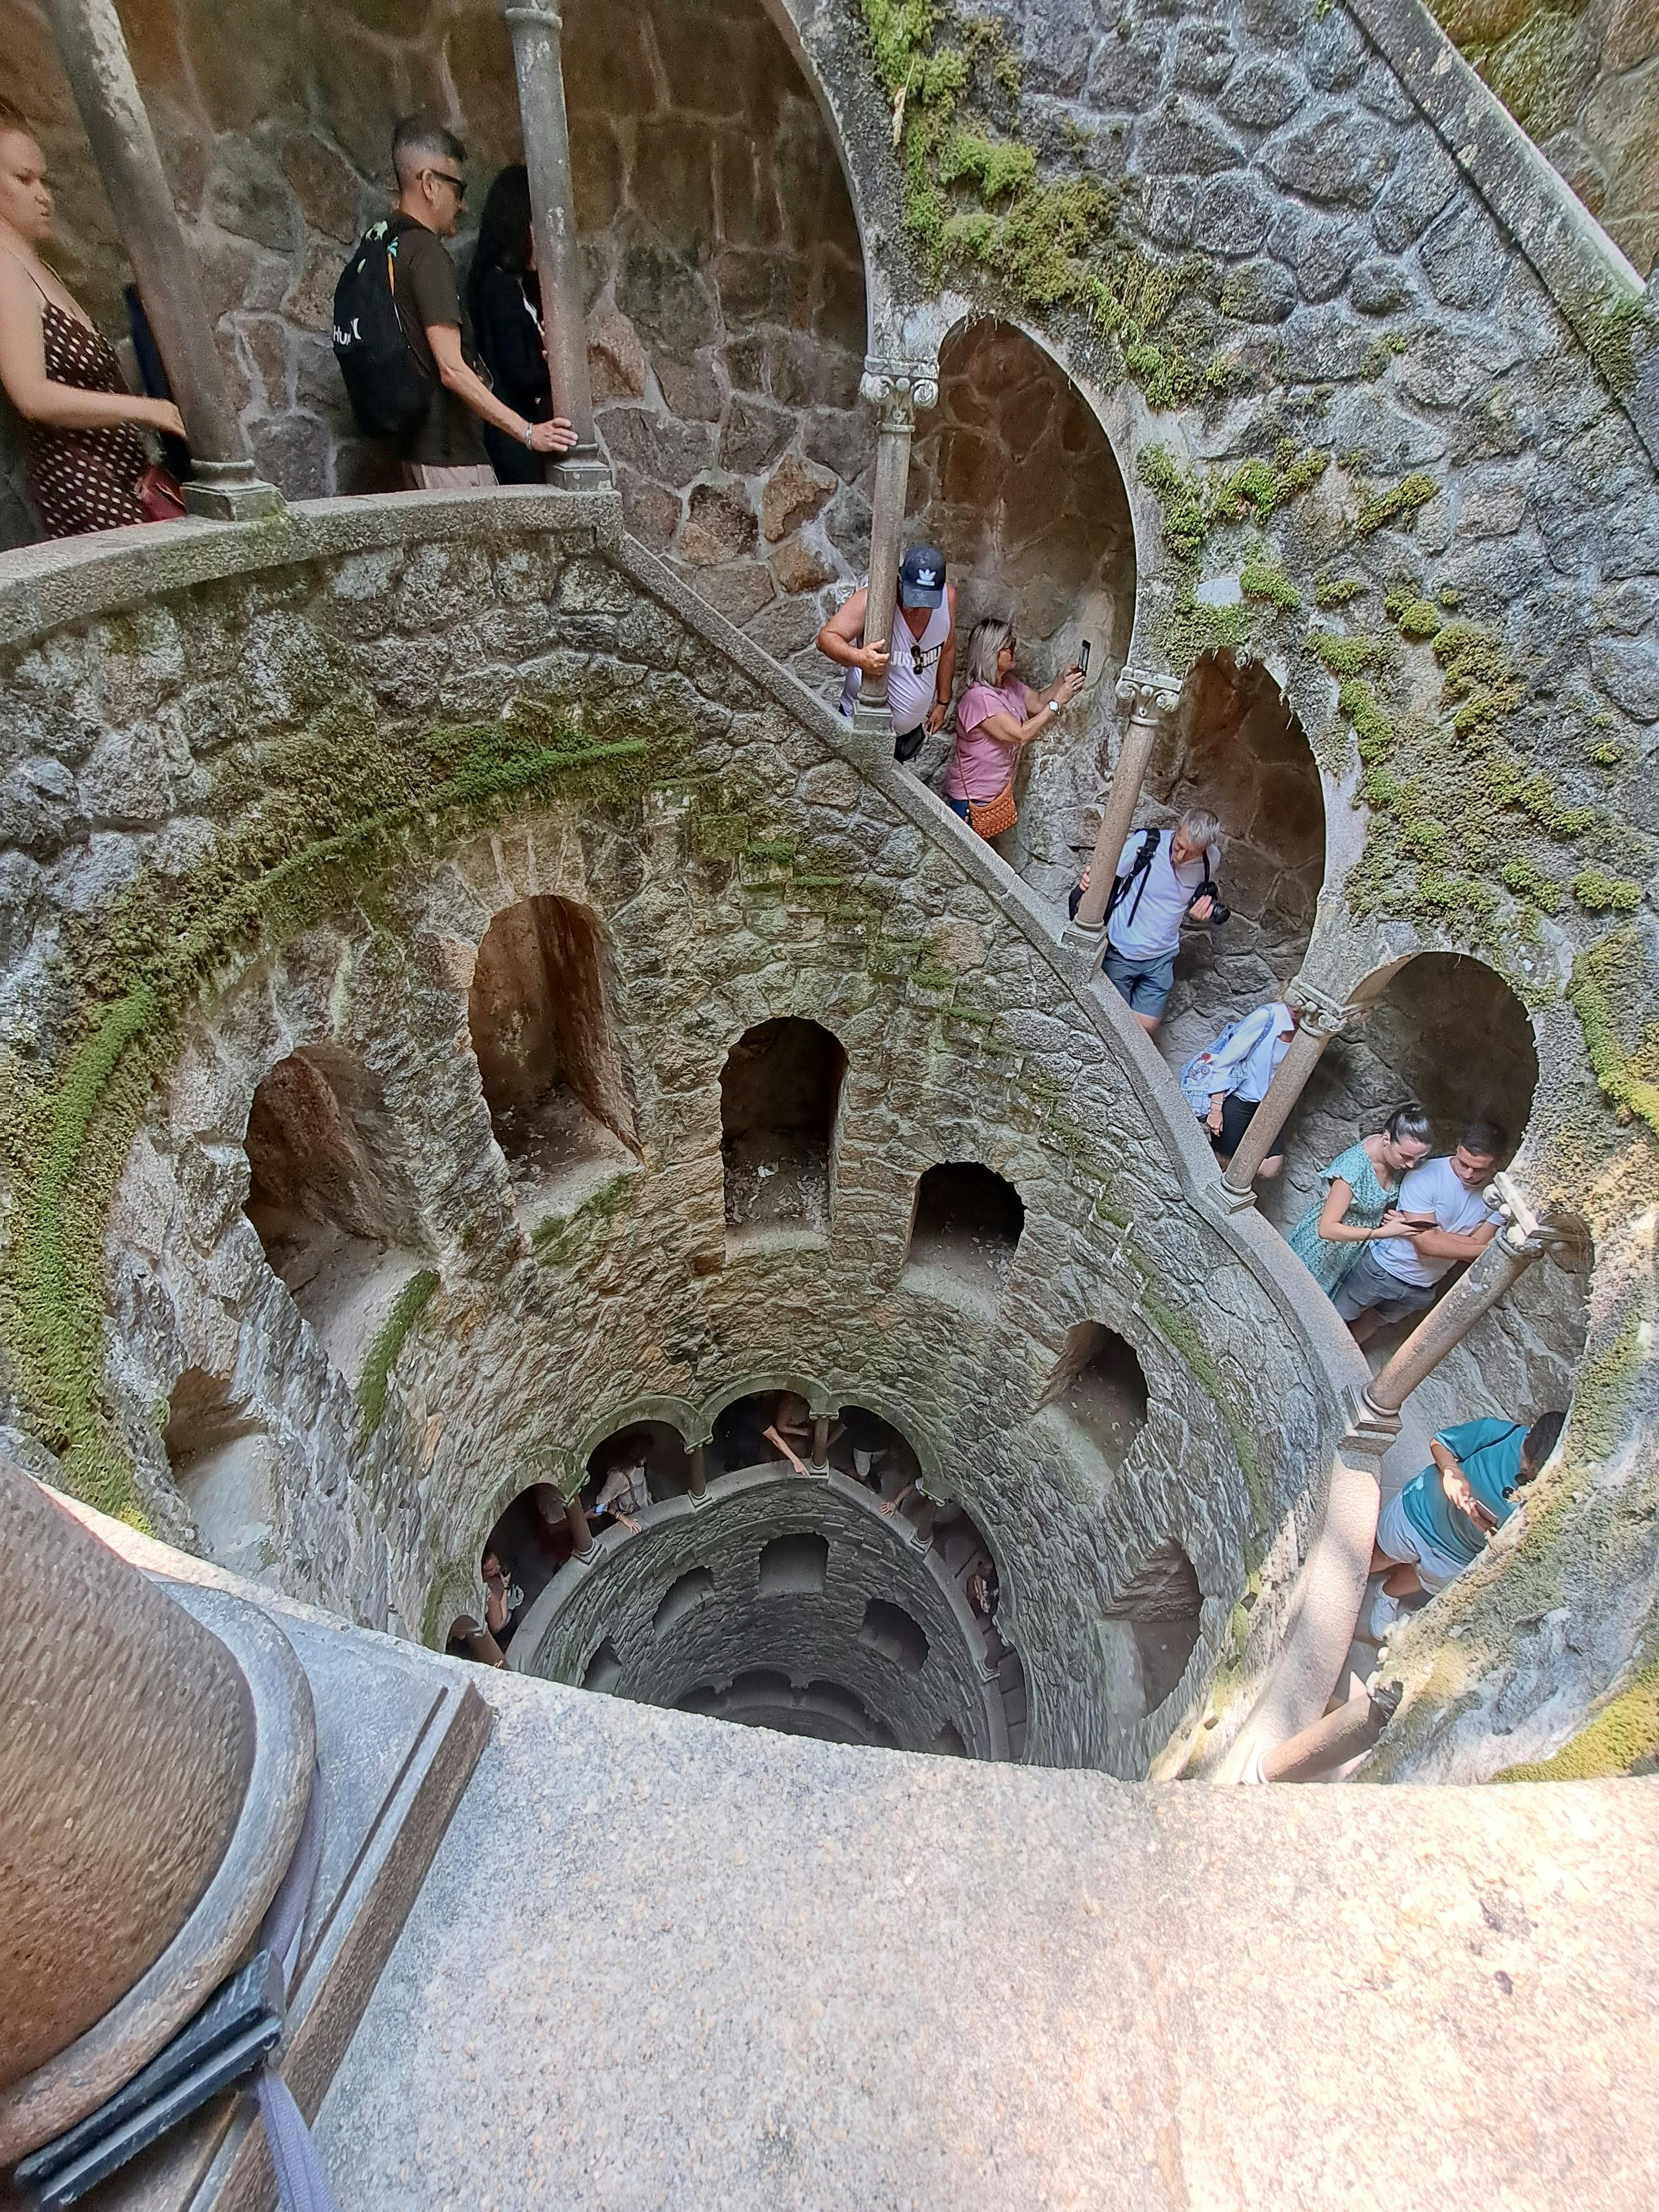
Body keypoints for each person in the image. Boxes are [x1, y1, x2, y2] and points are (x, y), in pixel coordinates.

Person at [0, 100, 186, 537]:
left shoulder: (35, 267)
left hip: (120, 475)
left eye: (42, 180)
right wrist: (145, 409)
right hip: (83, 483)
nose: (43, 195)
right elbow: (32, 395)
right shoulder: (4, 269)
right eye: (23, 180)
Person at [382, 116, 574, 489]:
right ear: (429, 184)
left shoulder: (390, 244)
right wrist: (530, 430)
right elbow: (456, 370)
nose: (463, 205)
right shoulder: (431, 257)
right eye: (458, 188)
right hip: (459, 450)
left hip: (429, 445)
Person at [1368, 1411, 1566, 1634]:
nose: (1525, 1469)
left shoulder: (1547, 1497)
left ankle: (1388, 1593)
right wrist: (1452, 1473)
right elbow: (1441, 1443)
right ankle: (1353, 1579)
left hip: (1462, 1552)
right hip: (1423, 1512)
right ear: (1529, 1433)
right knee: (1383, 1554)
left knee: (1423, 1577)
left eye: (1534, 1473)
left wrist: (1489, 1530)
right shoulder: (1500, 1434)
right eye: (1526, 1458)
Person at [1333, 1122, 1506, 1344]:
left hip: (1424, 1287)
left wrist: (1420, 1232)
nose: (1468, 1174)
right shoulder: (1425, 1176)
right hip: (1383, 1269)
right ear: (1458, 1147)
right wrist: (1482, 1249)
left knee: (1375, 1321)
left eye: (1479, 1169)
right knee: (1337, 1315)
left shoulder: (1497, 1198)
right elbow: (1427, 1246)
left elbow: (1472, 1245)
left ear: (1497, 1163)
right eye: (1464, 1163)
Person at [1072, 811, 1224, 1034]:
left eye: (1192, 853)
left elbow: (1193, 896)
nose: (1181, 857)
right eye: (1179, 846)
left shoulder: (1211, 859)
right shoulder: (1146, 844)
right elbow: (1105, 876)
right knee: (1111, 1024)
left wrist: (1199, 913)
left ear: (1205, 849)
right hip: (1123, 949)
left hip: (1162, 955)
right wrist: (1088, 881)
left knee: (1146, 1027)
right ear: (1177, 828)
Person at [816, 543, 957, 763]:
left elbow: (947, 648)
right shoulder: (871, 599)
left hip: (905, 737)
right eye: (914, 597)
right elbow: (826, 638)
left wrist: (943, 702)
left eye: (927, 600)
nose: (918, 607)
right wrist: (859, 658)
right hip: (860, 723)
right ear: (901, 582)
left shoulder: (948, 599)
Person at [945, 618, 1085, 838]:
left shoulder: (1008, 684)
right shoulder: (979, 698)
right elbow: (1021, 734)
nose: (1014, 651)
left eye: (1013, 644)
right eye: (1008, 647)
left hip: (993, 799)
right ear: (992, 653)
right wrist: (1058, 702)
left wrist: (1062, 681)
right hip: (972, 802)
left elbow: (1038, 702)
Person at [466, 164, 555, 486]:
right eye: (537, 225)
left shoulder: (505, 283)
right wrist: (556, 367)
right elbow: (519, 374)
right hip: (515, 439)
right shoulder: (500, 288)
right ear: (520, 225)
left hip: (515, 435)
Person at [1286, 1104, 1434, 1296]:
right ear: (1386, 1139)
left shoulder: (1393, 1158)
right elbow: (1327, 1229)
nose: (1411, 1165)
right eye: (1406, 1157)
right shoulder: (1353, 1169)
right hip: (1323, 1251)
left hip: (1351, 1250)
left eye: (1419, 1158)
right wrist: (1380, 1233)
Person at [1179, 997, 1302, 1180]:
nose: (1297, 1008)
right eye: (1295, 1002)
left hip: (1267, 1105)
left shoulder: (1308, 1032)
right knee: (1225, 1162)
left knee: (1271, 1167)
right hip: (1238, 1099)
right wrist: (1215, 1110)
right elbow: (1225, 1062)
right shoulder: (1267, 1017)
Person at [588, 1443, 650, 1533]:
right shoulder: (617, 1477)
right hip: (629, 1514)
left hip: (645, 1504)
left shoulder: (641, 1461)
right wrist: (624, 1519)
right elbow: (601, 1505)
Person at [481, 1547, 524, 1648]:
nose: (498, 1568)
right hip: (505, 1629)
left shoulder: (493, 1577)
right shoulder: (490, 1596)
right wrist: (506, 1588)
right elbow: (497, 1627)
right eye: (492, 1569)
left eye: (497, 1563)